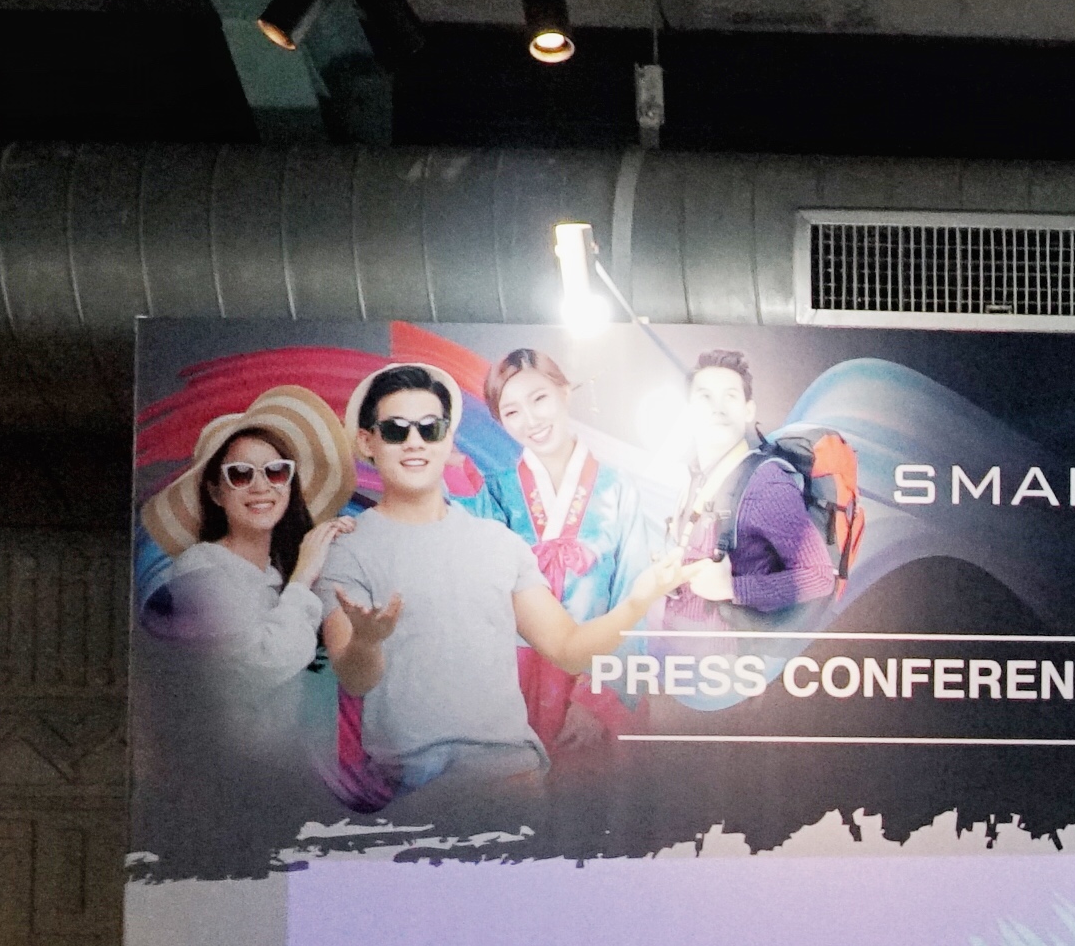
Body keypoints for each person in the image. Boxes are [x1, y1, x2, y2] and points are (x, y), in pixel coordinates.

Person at [317, 361, 672, 808]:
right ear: (367, 441)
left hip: (512, 782)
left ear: (449, 438)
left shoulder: (499, 542)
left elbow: (568, 648)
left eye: (430, 428)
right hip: (408, 791)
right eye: (395, 430)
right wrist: (368, 641)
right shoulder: (348, 549)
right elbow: (354, 676)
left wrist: (639, 600)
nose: (415, 442)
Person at [137, 390, 351, 783]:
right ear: (216, 492)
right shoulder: (200, 570)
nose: (260, 486)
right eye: (240, 474)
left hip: (287, 780)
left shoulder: (275, 574)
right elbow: (262, 662)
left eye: (276, 471)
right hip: (223, 780)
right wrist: (304, 576)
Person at [488, 346, 669, 751]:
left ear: (564, 392)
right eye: (512, 411)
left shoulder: (618, 488)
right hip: (513, 685)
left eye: (539, 398)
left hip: (598, 675)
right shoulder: (494, 492)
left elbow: (636, 599)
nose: (531, 420)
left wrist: (595, 701)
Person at [669, 352, 840, 627]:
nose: (718, 408)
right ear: (689, 410)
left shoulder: (766, 484)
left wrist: (732, 588)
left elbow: (819, 577)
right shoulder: (694, 475)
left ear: (748, 410)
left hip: (726, 649)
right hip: (677, 641)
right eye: (705, 397)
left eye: (730, 397)